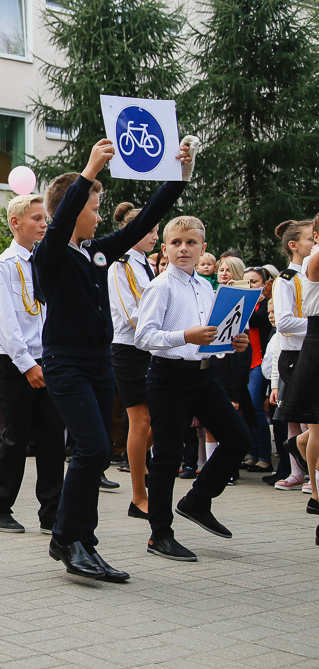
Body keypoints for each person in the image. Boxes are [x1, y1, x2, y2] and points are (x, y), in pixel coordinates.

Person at [32, 136, 197, 581]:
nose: (100, 215)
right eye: (93, 206)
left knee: (97, 452)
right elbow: (62, 217)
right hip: (64, 362)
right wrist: (87, 173)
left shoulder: (97, 252)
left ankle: (85, 541)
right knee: (91, 448)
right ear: (71, 208)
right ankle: (66, 538)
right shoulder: (48, 255)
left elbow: (145, 220)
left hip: (99, 363)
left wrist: (178, 176)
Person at [135, 216, 252, 562]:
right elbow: (143, 336)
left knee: (239, 438)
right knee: (168, 455)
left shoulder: (206, 286)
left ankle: (198, 500)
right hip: (167, 377)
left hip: (203, 376)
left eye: (191, 243)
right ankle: (160, 534)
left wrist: (234, 342)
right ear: (165, 247)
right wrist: (184, 335)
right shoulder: (160, 287)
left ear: (203, 247)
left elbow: (211, 337)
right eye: (176, 243)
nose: (183, 249)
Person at [0, 194, 65, 534]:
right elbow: (4, 321)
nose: (44, 224)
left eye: (45, 218)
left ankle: (51, 512)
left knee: (52, 438)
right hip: (16, 360)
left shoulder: (44, 261)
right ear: (16, 223)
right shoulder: (4, 266)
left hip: (48, 358)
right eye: (36, 218)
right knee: (16, 436)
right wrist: (26, 363)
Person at [107, 201, 159, 519]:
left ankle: (141, 468)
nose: (155, 236)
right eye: (150, 230)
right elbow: (132, 314)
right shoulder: (121, 263)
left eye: (155, 229)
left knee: (161, 418)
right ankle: (139, 496)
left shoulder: (145, 264)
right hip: (128, 349)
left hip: (150, 347)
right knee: (140, 421)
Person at [270, 220, 314, 489]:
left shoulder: (313, 275)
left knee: (310, 417)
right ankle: (301, 472)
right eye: (311, 239)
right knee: (299, 417)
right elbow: (284, 322)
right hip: (296, 355)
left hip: (311, 351)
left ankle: (310, 470)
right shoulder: (286, 280)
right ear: (293, 246)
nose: (316, 244)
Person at [243, 266, 274, 472]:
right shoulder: (246, 303)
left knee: (255, 407)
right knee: (246, 410)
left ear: (264, 284)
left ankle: (265, 455)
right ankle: (253, 453)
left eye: (253, 282)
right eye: (246, 282)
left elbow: (255, 320)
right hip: (243, 361)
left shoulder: (265, 305)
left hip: (259, 362)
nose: (250, 286)